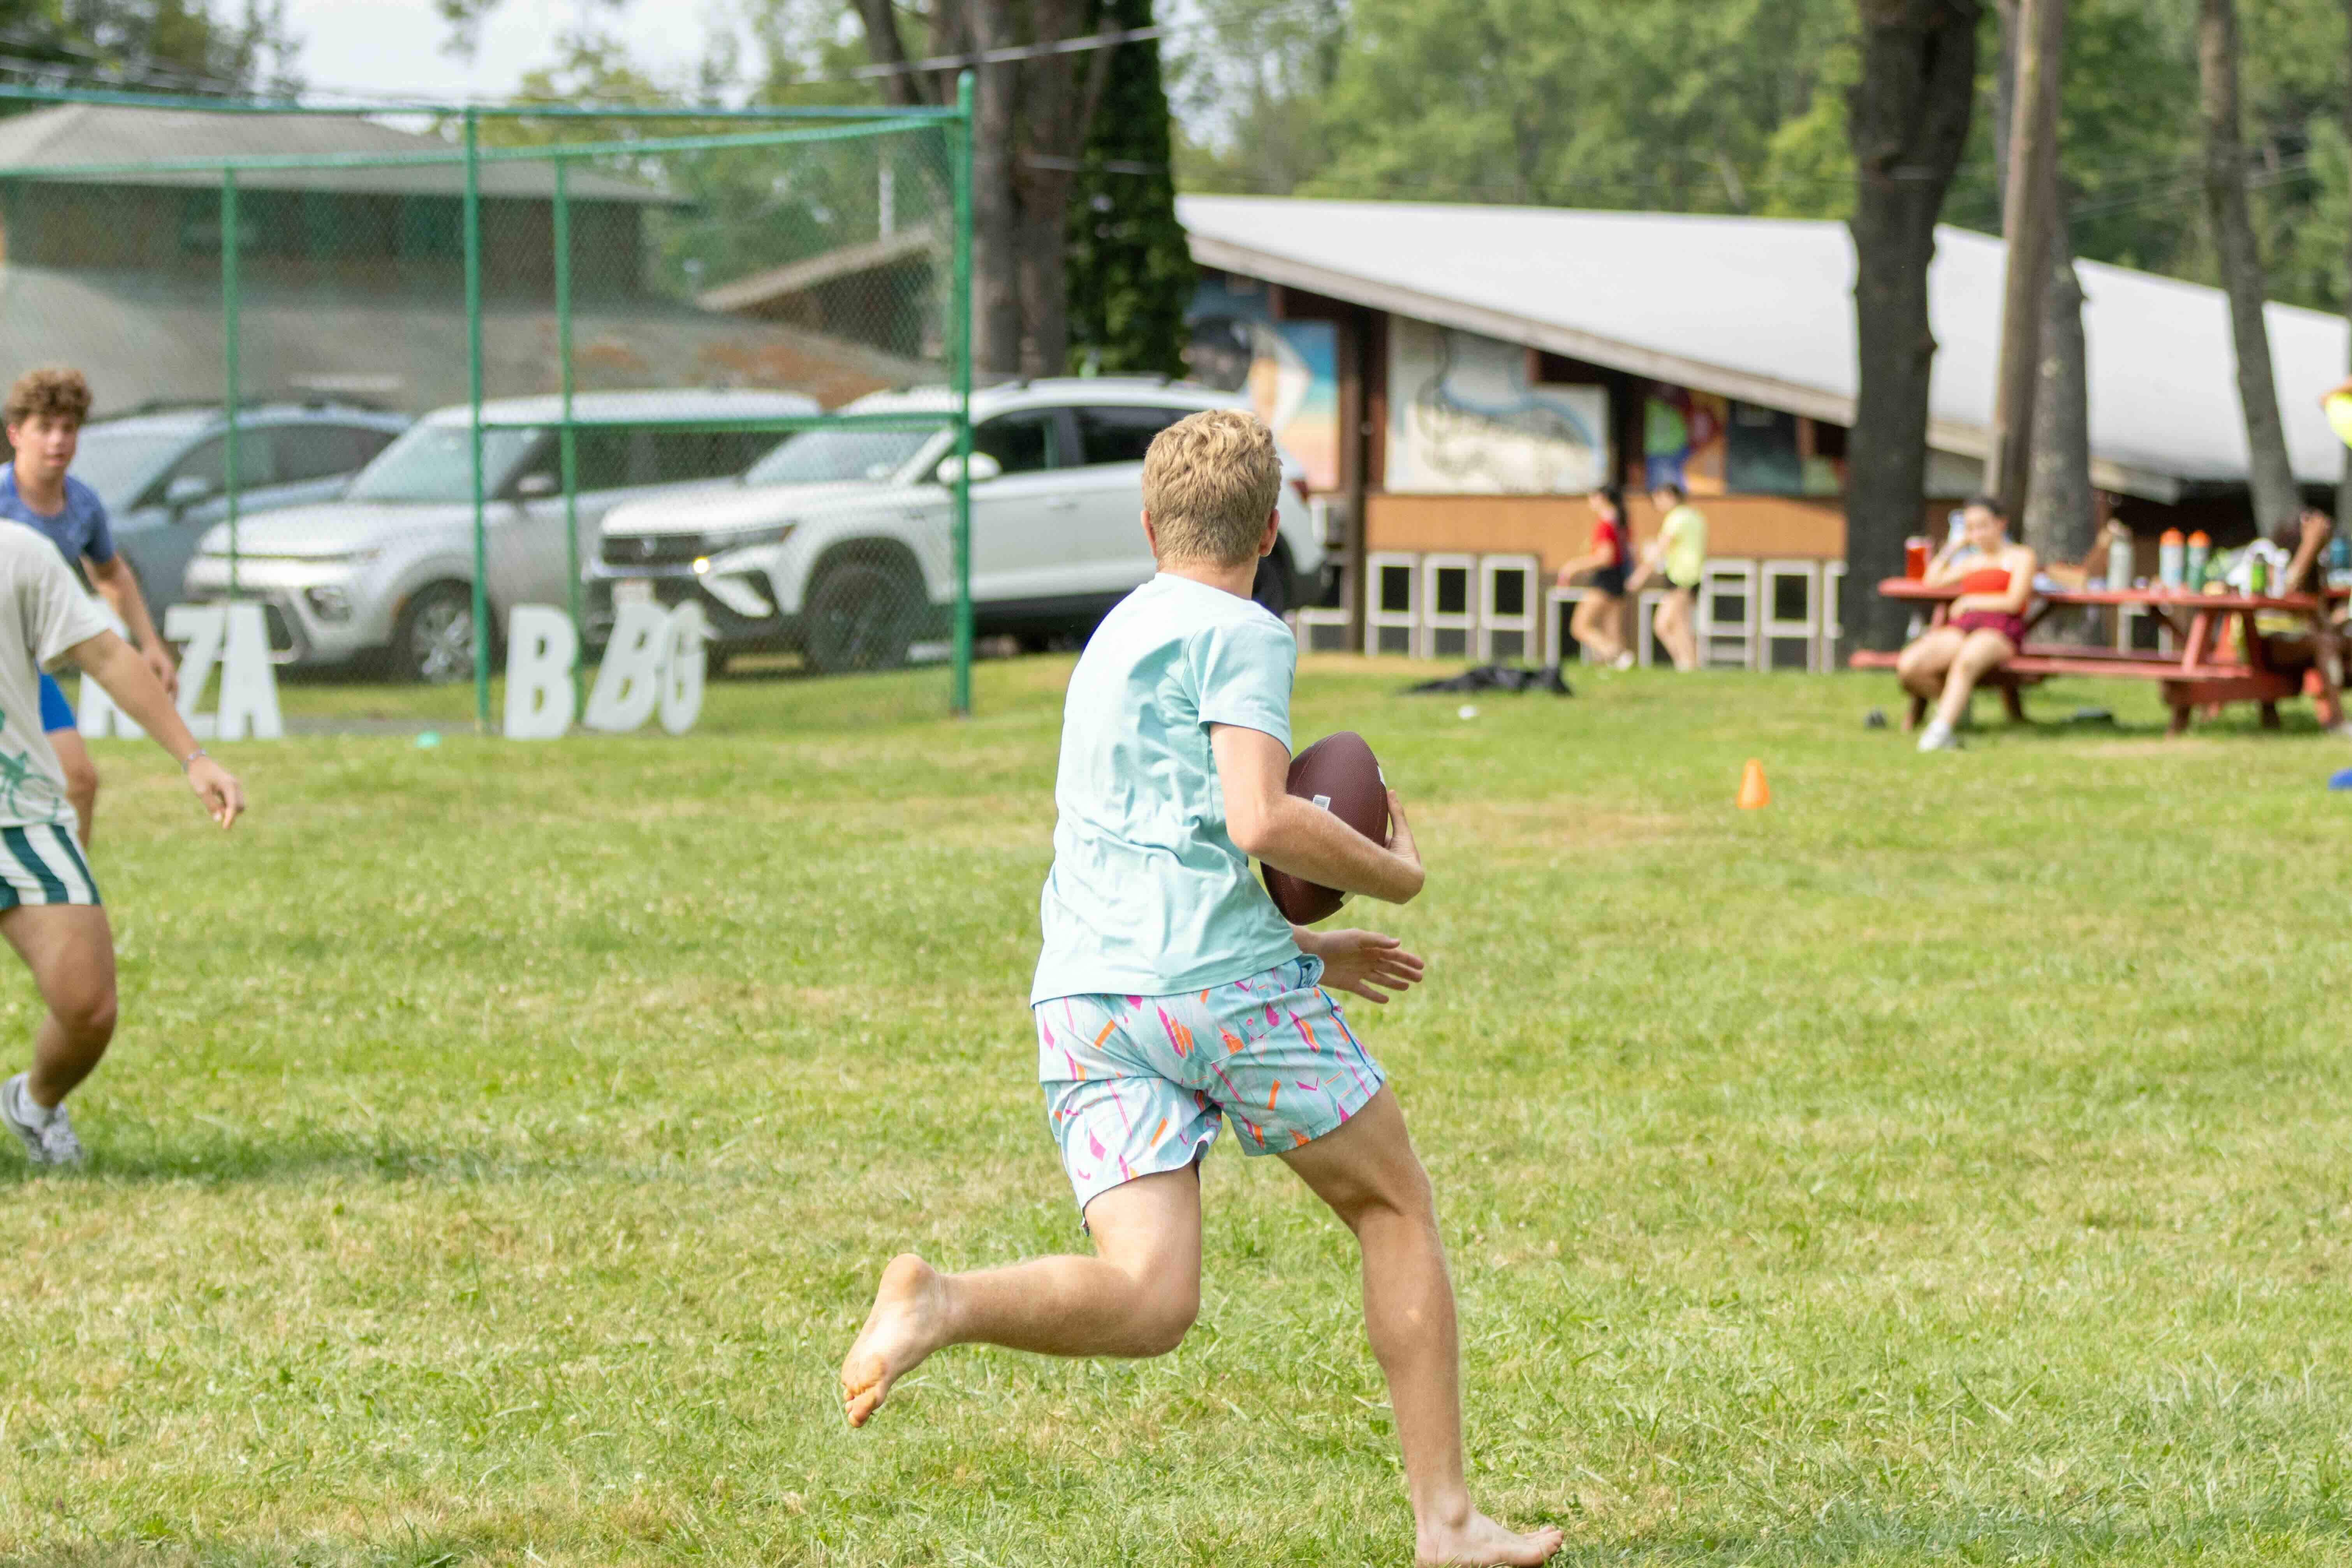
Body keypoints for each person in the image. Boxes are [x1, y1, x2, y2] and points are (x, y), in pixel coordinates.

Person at [839, 410, 1562, 1568]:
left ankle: (948, 1300)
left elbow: (1159, 847)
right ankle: (1450, 1523)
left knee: (1151, 1294)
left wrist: (1308, 956)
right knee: (1393, 1207)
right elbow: (1259, 819)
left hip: (1087, 998)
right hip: (1214, 991)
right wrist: (1398, 876)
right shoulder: (1244, 629)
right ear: (1270, 530)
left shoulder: (1114, 637)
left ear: (1147, 523)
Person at [0, 510, 243, 1165]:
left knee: (88, 1009)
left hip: (16, 812)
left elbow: (106, 654)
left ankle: (34, 1102)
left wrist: (196, 760)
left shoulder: (19, 553)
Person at [1, 368, 180, 846]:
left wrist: (149, 644)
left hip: (26, 672)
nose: (58, 441)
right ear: (17, 434)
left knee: (80, 780)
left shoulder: (83, 505)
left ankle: (70, 892)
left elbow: (111, 574)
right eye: (45, 428)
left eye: (69, 429)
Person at [1895, 495, 2037, 753]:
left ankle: (1939, 733)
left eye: (1983, 525)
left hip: (2000, 629)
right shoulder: (1970, 562)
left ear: (2000, 524)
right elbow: (1932, 580)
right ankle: (1955, 707)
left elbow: (2015, 602)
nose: (1977, 533)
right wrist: (1954, 546)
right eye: (1970, 527)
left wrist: (1973, 599)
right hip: (1964, 626)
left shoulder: (2021, 556)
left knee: (1966, 660)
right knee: (1909, 665)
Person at [1627, 481, 1706, 671]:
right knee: (1676, 624)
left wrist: (1640, 576)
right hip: (1691, 575)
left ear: (1670, 497)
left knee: (1669, 625)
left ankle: (1688, 664)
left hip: (1681, 577)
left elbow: (1661, 549)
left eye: (1659, 499)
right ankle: (1687, 664)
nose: (1657, 505)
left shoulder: (1676, 519)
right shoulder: (1695, 516)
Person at [1556, 485, 1633, 669]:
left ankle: (1617, 654)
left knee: (1580, 627)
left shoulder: (1605, 525)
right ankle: (1614, 665)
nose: (1590, 501)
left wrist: (1573, 566)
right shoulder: (1621, 524)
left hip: (1605, 580)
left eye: (1594, 497)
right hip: (1619, 578)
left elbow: (1605, 557)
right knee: (1611, 628)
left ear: (1604, 498)